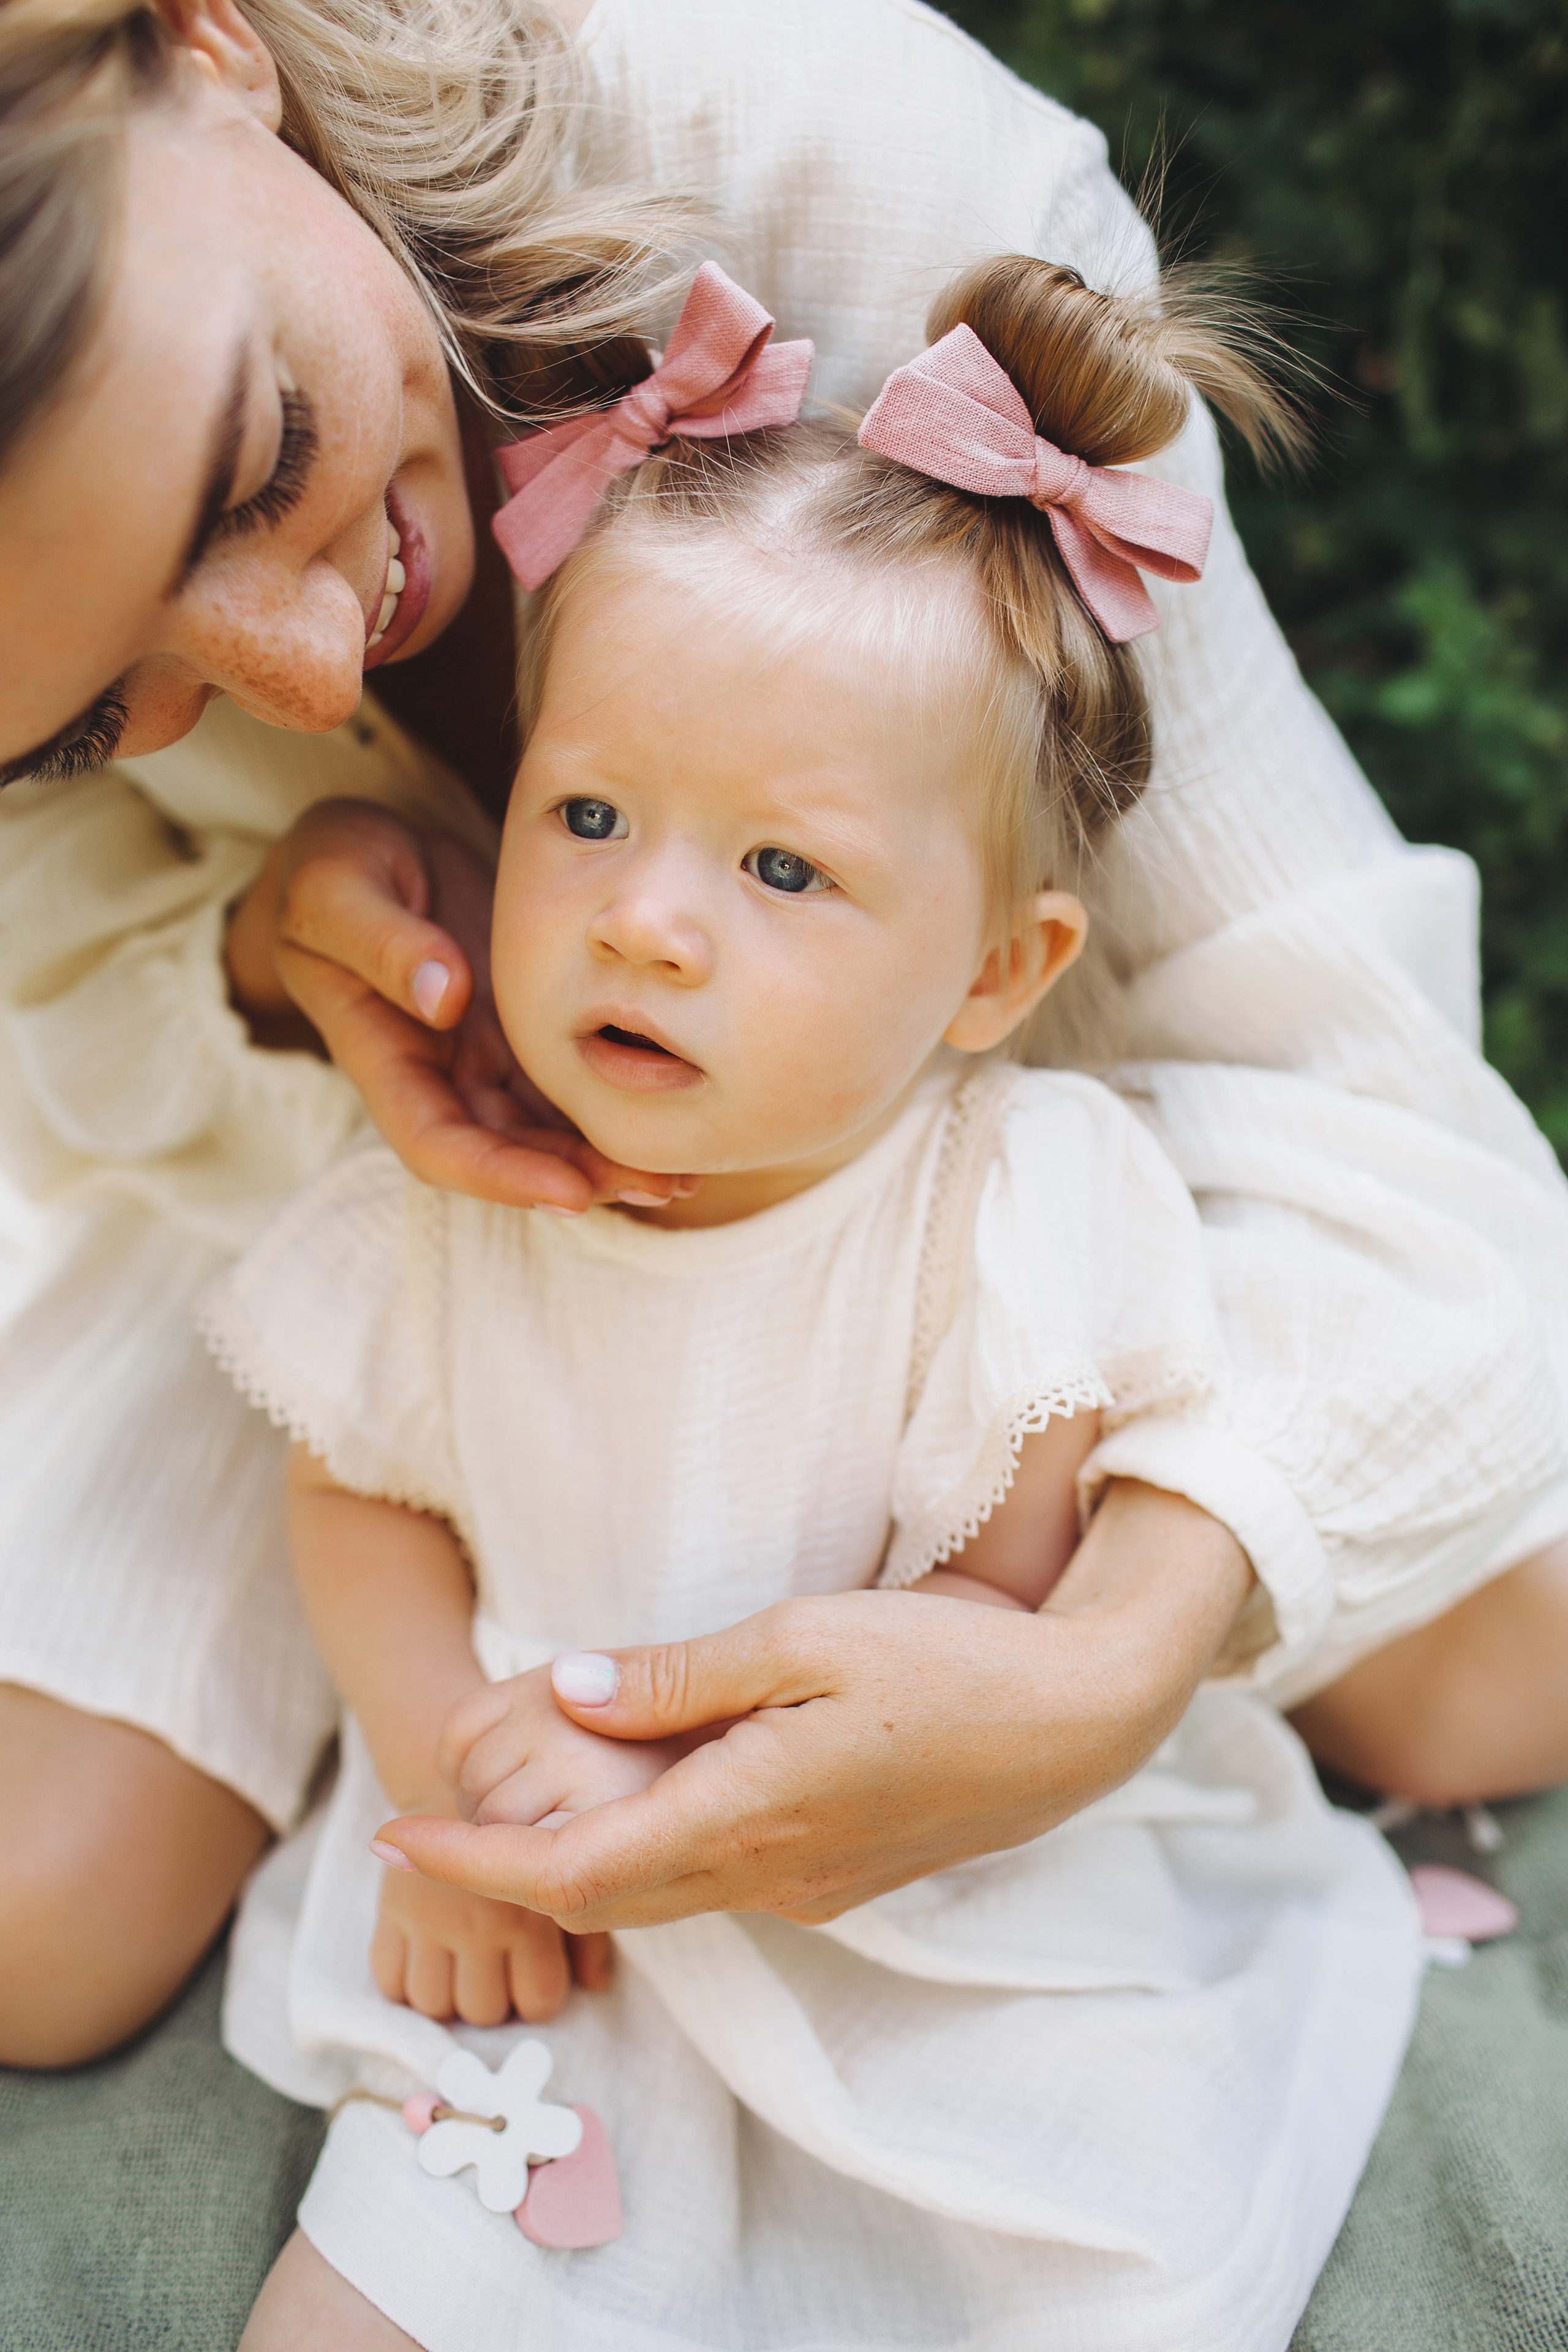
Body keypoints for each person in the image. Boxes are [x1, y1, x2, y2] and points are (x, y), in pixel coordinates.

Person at [2, 0, 1567, 2070]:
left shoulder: (826, 146)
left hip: (965, 1183)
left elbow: (1341, 1050)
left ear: (202, 42)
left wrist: (1111, 1649)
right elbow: (51, 1006)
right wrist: (258, 965)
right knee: (38, 1926)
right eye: (107, 707)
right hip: (394, 1211)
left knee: (1489, 1673)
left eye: (260, 461)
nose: (304, 680)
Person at [203, 255, 1425, 2350]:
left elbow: (996, 1596)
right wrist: (452, 1790)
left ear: (993, 976)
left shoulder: (1006, 1210)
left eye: (782, 873)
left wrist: (677, 1777)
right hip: (551, 1912)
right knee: (361, 2310)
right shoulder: (467, 1181)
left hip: (903, 1870)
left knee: (1071, 2252)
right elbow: (361, 1487)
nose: (648, 923)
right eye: (588, 817)